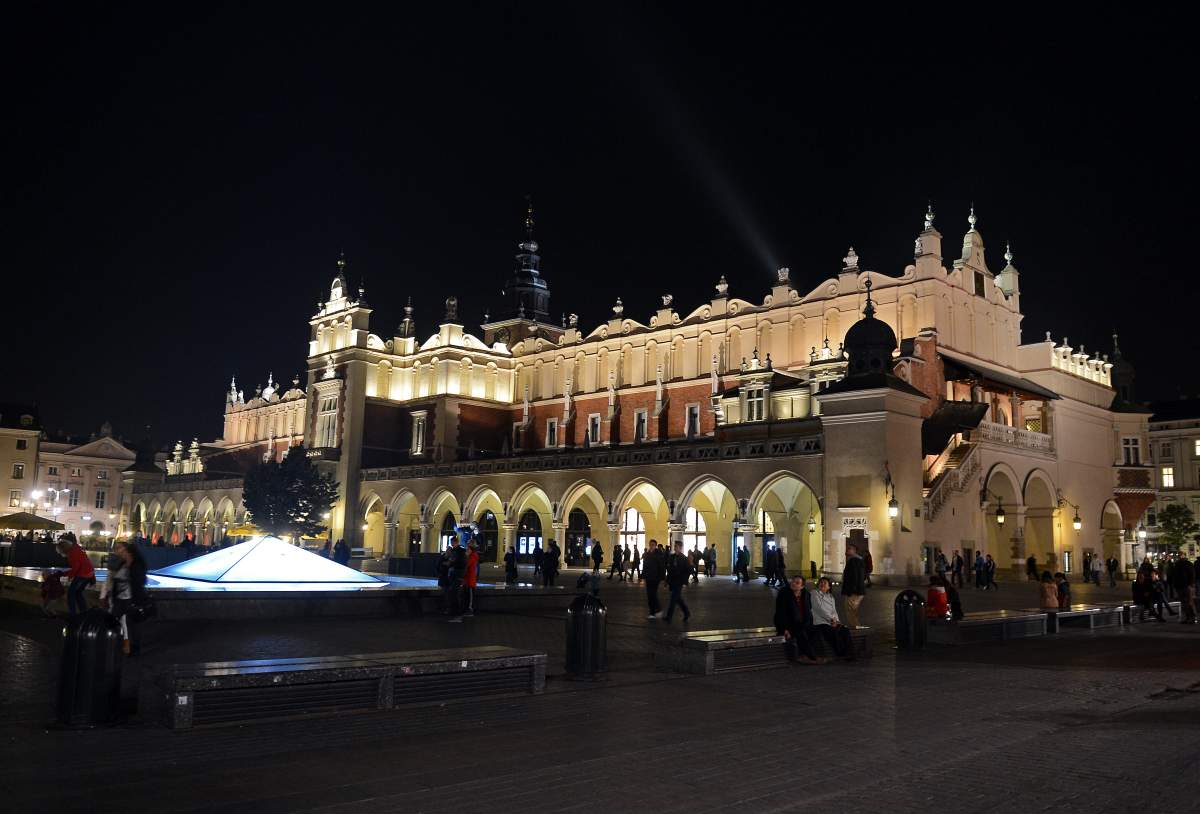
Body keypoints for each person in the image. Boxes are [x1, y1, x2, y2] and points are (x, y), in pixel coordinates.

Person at [105, 541, 148, 655]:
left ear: (130, 553)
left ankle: (134, 648)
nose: (121, 553)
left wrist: (128, 581)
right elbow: (114, 578)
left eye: (124, 551)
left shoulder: (137, 564)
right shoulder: (122, 563)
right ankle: (112, 642)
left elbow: (140, 582)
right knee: (112, 620)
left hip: (131, 599)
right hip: (120, 598)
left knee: (132, 625)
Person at [774, 575, 819, 664]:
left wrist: (809, 623)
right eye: (793, 581)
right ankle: (812, 657)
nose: (793, 583)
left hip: (803, 623)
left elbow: (808, 611)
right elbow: (780, 613)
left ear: (802, 586)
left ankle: (804, 655)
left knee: (816, 631)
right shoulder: (784, 593)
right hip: (788, 624)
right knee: (800, 632)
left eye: (797, 583)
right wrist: (784, 629)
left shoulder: (806, 594)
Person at [810, 576, 854, 659]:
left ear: (829, 587)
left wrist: (837, 621)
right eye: (821, 582)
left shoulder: (831, 597)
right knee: (833, 633)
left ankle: (850, 653)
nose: (822, 584)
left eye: (825, 583)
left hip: (832, 621)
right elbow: (819, 608)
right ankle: (841, 654)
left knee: (845, 630)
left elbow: (834, 611)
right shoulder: (814, 593)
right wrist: (831, 619)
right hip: (820, 622)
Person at [56, 536, 95, 618]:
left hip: (83, 574)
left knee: (70, 594)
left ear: (63, 549)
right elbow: (86, 562)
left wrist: (67, 576)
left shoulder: (72, 553)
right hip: (89, 573)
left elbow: (76, 568)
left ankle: (73, 615)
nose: (61, 554)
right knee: (78, 593)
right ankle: (84, 612)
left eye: (60, 552)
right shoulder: (77, 549)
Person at [663, 540, 692, 623]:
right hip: (673, 581)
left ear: (680, 548)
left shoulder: (684, 558)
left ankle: (669, 617)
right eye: (674, 546)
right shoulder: (672, 557)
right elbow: (670, 570)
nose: (675, 548)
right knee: (678, 599)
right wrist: (667, 581)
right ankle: (686, 612)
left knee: (673, 599)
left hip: (679, 582)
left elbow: (689, 570)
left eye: (676, 546)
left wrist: (684, 579)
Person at [841, 544, 867, 627]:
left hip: (854, 592)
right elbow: (863, 576)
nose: (847, 550)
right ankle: (856, 629)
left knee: (850, 612)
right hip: (858, 591)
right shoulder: (858, 560)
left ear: (854, 551)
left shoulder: (854, 561)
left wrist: (851, 591)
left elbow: (855, 577)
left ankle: (856, 631)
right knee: (853, 612)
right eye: (847, 548)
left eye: (849, 549)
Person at [442, 535, 467, 621]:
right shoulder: (458, 551)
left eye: (452, 543)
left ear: (455, 542)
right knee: (454, 592)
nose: (452, 544)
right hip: (456, 573)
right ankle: (455, 609)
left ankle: (457, 610)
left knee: (455, 592)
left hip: (457, 573)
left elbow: (453, 561)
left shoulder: (458, 551)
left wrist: (449, 563)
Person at [1170, 554, 1197, 623]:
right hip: (1181, 586)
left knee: (1188, 602)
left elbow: (1192, 574)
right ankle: (1188, 617)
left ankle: (1192, 617)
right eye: (1179, 555)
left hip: (1185, 585)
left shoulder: (1185, 564)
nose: (1180, 556)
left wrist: (1191, 584)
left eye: (1181, 555)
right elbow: (1174, 575)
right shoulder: (1178, 564)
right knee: (1185, 603)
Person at [642, 539, 664, 618]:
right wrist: (643, 576)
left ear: (655, 546)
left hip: (655, 578)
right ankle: (652, 612)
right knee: (649, 595)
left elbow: (661, 566)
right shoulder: (647, 554)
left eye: (652, 545)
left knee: (653, 594)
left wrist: (661, 578)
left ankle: (657, 610)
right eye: (650, 544)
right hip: (648, 577)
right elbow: (645, 566)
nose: (651, 546)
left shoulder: (659, 554)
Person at [461, 540, 479, 616]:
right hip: (467, 579)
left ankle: (470, 610)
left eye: (468, 546)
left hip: (470, 580)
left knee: (470, 596)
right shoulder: (472, 555)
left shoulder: (473, 555)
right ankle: (466, 609)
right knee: (466, 595)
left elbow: (467, 564)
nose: (466, 548)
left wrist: (467, 556)